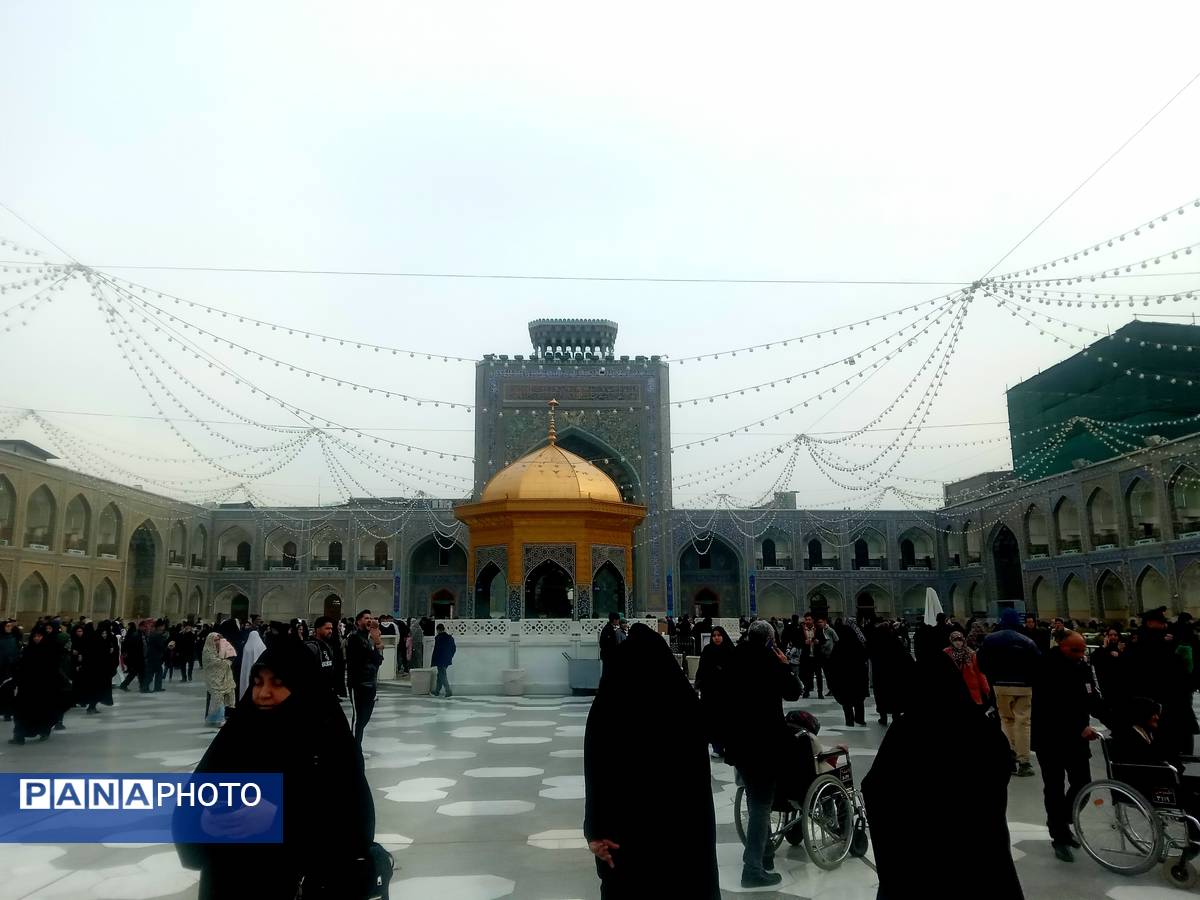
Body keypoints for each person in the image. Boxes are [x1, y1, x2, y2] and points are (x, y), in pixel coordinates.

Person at [176, 639, 376, 899]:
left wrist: (278, 819)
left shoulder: (330, 742)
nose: (263, 693)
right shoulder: (238, 737)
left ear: (303, 686)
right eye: (258, 682)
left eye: (278, 684)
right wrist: (203, 822)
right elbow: (192, 802)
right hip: (229, 882)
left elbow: (352, 827)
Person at [863, 654, 1023, 899]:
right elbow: (1001, 770)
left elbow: (876, 789)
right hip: (982, 854)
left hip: (922, 860)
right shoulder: (982, 729)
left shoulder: (906, 732)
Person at [584, 623, 719, 898]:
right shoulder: (683, 704)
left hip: (625, 836)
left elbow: (596, 772)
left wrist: (594, 830)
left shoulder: (610, 703)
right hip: (682, 840)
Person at [723, 619, 801, 888]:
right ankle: (752, 868)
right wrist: (785, 665)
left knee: (755, 798)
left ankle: (765, 854)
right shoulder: (770, 661)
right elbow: (794, 692)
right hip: (764, 745)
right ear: (769, 640)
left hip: (739, 744)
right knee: (760, 806)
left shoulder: (735, 657)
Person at [1031, 630, 1111, 862]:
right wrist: (1079, 727)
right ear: (1060, 645)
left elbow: (1092, 699)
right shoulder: (1046, 667)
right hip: (1051, 739)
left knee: (1083, 783)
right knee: (1054, 787)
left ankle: (1061, 820)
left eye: (1083, 650)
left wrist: (1116, 721)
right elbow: (1051, 706)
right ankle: (1059, 835)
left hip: (1076, 740)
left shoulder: (1082, 667)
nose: (1080, 654)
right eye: (1075, 650)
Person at [1122, 607, 1198, 757]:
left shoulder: (1162, 639)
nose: (1164, 625)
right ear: (1150, 623)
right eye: (1160, 622)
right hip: (1155, 697)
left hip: (1172, 694)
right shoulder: (1144, 641)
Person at [978, 608, 1041, 776]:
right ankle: (1024, 762)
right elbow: (1038, 664)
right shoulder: (1027, 641)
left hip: (1000, 685)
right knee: (1023, 722)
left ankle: (1009, 756)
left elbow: (981, 663)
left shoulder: (990, 639)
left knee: (1006, 720)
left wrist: (992, 676)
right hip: (1024, 686)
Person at [7, 625, 60, 744]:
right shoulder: (28, 649)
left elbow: (52, 669)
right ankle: (19, 735)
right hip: (27, 686)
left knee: (41, 710)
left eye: (39, 636)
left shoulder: (49, 650)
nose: (36, 638)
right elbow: (22, 666)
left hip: (43, 687)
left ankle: (43, 730)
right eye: (35, 636)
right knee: (21, 711)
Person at [693, 625, 734, 759]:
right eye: (714, 636)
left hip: (726, 693)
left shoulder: (730, 650)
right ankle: (717, 747)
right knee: (713, 722)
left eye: (719, 635)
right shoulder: (708, 650)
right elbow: (702, 669)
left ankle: (729, 747)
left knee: (727, 721)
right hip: (710, 693)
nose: (716, 638)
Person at [345, 609, 383, 744]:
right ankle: (355, 749)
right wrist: (376, 645)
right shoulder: (354, 638)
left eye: (370, 618)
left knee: (365, 718)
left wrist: (376, 643)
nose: (369, 620)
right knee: (359, 718)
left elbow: (378, 660)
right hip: (358, 684)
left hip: (370, 683)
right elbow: (369, 657)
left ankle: (356, 747)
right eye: (366, 618)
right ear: (358, 621)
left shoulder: (368, 639)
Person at [868, 621, 914, 726]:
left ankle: (883, 717)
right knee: (895, 695)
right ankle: (896, 715)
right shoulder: (895, 641)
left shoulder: (877, 642)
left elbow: (871, 655)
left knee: (881, 695)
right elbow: (906, 657)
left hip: (881, 675)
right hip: (895, 675)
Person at [830, 617, 869, 727]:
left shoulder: (838, 647)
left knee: (846, 701)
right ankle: (860, 719)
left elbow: (832, 663)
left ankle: (849, 720)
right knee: (859, 699)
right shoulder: (857, 645)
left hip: (843, 679)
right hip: (858, 677)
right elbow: (864, 657)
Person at [944, 629, 990, 705]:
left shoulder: (970, 653)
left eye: (960, 640)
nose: (958, 642)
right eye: (955, 640)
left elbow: (979, 671)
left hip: (971, 687)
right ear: (951, 641)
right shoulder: (946, 653)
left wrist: (985, 688)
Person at [202, 630, 237, 728]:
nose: (217, 642)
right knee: (218, 697)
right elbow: (214, 663)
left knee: (221, 698)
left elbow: (230, 655)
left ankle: (213, 719)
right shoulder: (207, 651)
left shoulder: (222, 648)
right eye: (215, 640)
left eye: (218, 639)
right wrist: (227, 662)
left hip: (224, 678)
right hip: (213, 679)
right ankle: (219, 719)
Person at [304, 616, 340, 696]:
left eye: (331, 628)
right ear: (318, 629)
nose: (330, 631)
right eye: (327, 628)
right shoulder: (311, 646)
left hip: (328, 689)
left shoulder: (327, 644)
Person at [1089, 627, 1125, 700]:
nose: (1113, 637)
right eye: (1110, 635)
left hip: (1120, 683)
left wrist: (1120, 653)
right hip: (1106, 683)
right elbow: (1093, 659)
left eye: (1115, 635)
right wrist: (1104, 647)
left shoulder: (1123, 647)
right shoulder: (1103, 648)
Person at [237, 627, 267, 700]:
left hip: (247, 669)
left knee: (246, 683)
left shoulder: (246, 646)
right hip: (259, 671)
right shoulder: (262, 646)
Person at [119, 619, 148, 691]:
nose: (145, 628)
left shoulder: (141, 634)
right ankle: (142, 687)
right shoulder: (136, 635)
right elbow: (132, 648)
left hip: (139, 658)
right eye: (144, 626)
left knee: (138, 673)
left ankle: (141, 687)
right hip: (137, 658)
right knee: (136, 673)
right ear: (140, 626)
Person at [431, 623, 456, 698]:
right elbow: (454, 648)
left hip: (440, 659)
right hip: (447, 659)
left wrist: (434, 660)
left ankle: (448, 691)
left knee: (442, 675)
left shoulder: (438, 638)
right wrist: (450, 656)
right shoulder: (450, 638)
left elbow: (436, 650)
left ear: (438, 630)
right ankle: (437, 691)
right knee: (440, 675)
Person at [145, 619, 168, 692]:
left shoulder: (153, 634)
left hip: (153, 656)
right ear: (159, 627)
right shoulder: (157, 635)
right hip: (155, 656)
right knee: (152, 673)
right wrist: (167, 648)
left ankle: (155, 687)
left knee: (157, 672)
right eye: (163, 626)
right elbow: (160, 646)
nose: (164, 627)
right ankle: (146, 687)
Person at [598, 611, 621, 677]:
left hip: (608, 655)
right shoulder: (608, 629)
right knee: (607, 672)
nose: (618, 621)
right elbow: (605, 643)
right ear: (614, 620)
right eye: (618, 620)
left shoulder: (610, 628)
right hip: (608, 655)